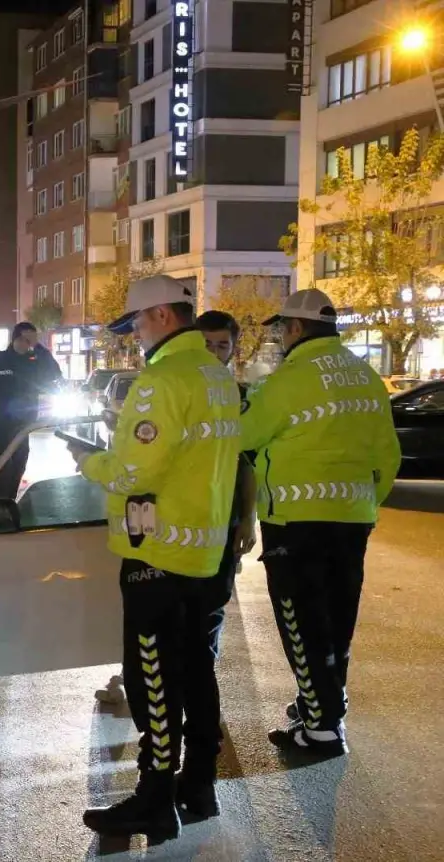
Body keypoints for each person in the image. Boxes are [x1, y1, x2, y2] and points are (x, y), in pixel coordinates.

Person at [67, 275, 240, 843]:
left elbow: (136, 470)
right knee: (196, 670)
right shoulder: (218, 377)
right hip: (204, 552)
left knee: (153, 681)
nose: (133, 336)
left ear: (163, 316)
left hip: (157, 554)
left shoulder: (160, 380)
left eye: (136, 323)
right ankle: (198, 785)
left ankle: (153, 797)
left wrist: (90, 463)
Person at [240, 289, 400, 758]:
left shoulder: (288, 380)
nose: (278, 337)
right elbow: (388, 454)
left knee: (301, 621)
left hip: (295, 520)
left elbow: (246, 436)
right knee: (337, 617)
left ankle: (322, 728)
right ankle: (327, 700)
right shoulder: (366, 377)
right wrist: (366, 502)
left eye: (280, 329)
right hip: (353, 518)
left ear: (294, 328)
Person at [0, 322, 63, 499]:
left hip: (22, 430)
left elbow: (54, 374)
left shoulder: (32, 363)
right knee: (2, 474)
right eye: (24, 339)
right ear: (15, 339)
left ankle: (8, 509)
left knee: (16, 473)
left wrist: (39, 347)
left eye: (31, 341)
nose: (27, 344)